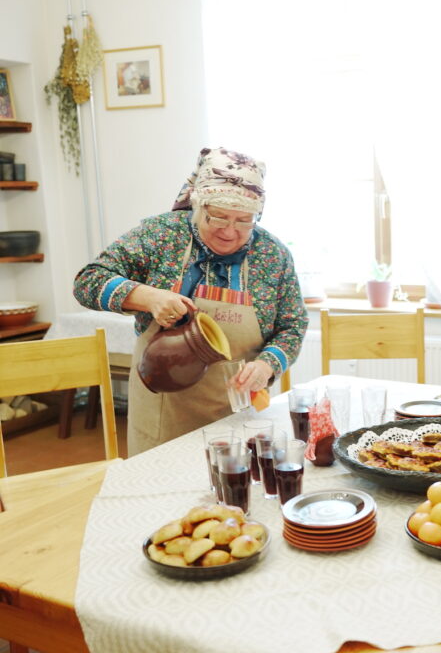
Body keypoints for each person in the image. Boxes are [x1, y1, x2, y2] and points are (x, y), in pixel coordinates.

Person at [74, 147, 308, 455]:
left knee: (233, 495)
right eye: (218, 217)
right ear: (198, 205)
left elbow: (293, 324)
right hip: (163, 413)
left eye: (243, 221)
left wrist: (267, 365)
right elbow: (87, 280)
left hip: (240, 414)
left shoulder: (272, 254)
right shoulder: (161, 235)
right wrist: (147, 297)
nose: (229, 231)